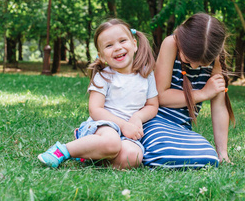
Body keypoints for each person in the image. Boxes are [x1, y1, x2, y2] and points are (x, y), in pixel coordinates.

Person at [38, 19, 159, 169]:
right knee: (111, 142)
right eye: (109, 45)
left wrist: (137, 117)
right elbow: (95, 110)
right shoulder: (104, 76)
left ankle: (89, 153)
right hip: (104, 126)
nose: (117, 48)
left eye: (122, 41)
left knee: (133, 157)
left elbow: (153, 105)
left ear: (134, 44)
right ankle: (63, 150)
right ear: (101, 56)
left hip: (129, 131)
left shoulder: (147, 74)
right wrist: (122, 125)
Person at [140, 13, 235, 169]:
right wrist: (202, 94)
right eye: (189, 60)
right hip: (154, 120)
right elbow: (160, 96)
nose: (196, 67)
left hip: (182, 127)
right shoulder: (171, 43)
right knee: (164, 153)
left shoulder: (214, 55)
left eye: (203, 63)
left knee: (209, 158)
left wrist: (222, 153)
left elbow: (219, 106)